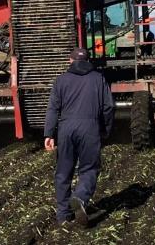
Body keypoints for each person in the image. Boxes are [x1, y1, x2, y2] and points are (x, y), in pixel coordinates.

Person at [44, 47, 114, 227]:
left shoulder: (60, 80)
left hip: (66, 128)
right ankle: (80, 197)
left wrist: (49, 133)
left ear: (70, 60)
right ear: (89, 61)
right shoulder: (98, 78)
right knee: (89, 168)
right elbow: (108, 107)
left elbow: (53, 108)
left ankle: (63, 215)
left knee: (63, 171)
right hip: (89, 127)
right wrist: (105, 129)